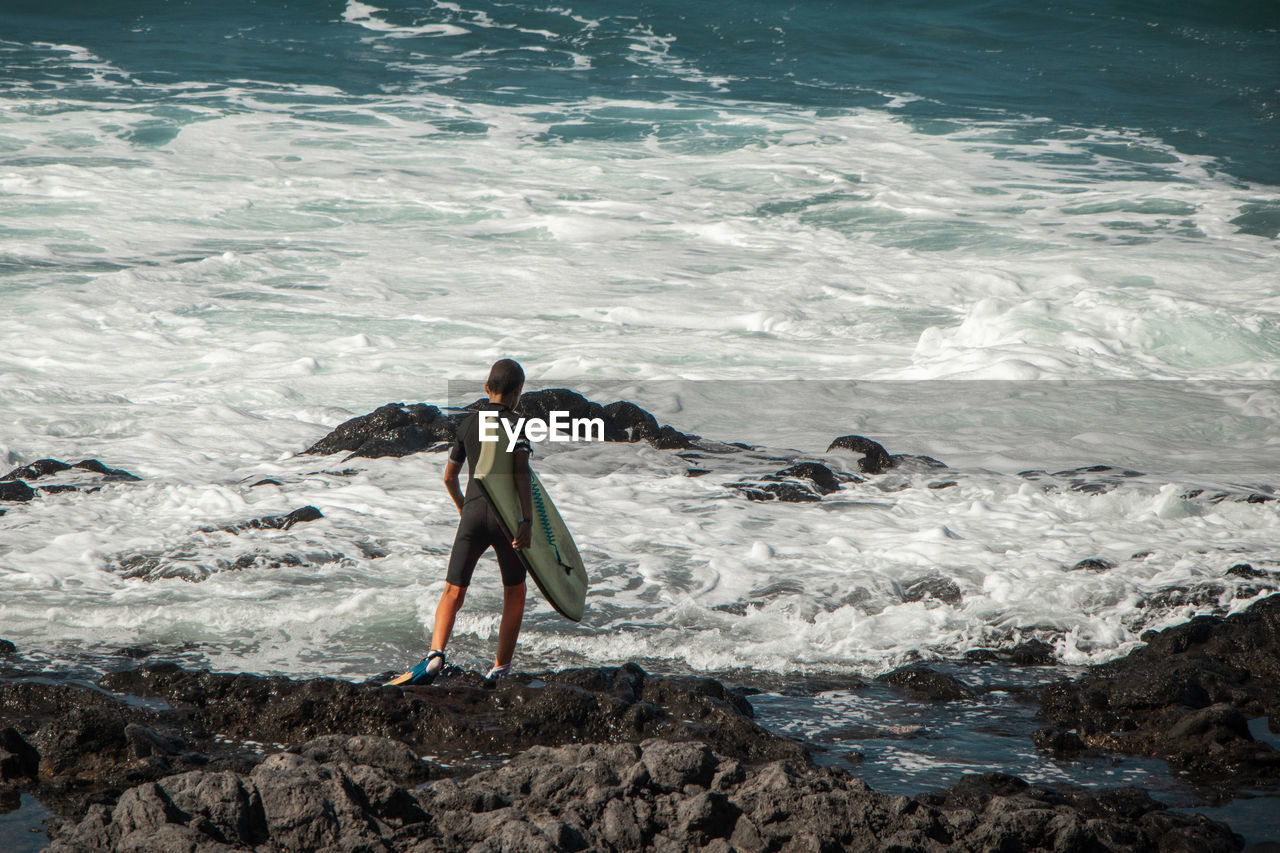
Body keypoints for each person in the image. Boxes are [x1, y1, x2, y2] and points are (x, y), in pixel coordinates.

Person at [391, 358, 533, 686]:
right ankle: (500, 667)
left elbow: (449, 477)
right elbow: (521, 473)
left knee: (453, 590)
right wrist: (525, 520)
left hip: (472, 514)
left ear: (486, 388)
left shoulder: (468, 424)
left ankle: (435, 655)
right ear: (517, 394)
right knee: (515, 590)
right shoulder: (518, 425)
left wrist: (462, 508)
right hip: (506, 521)